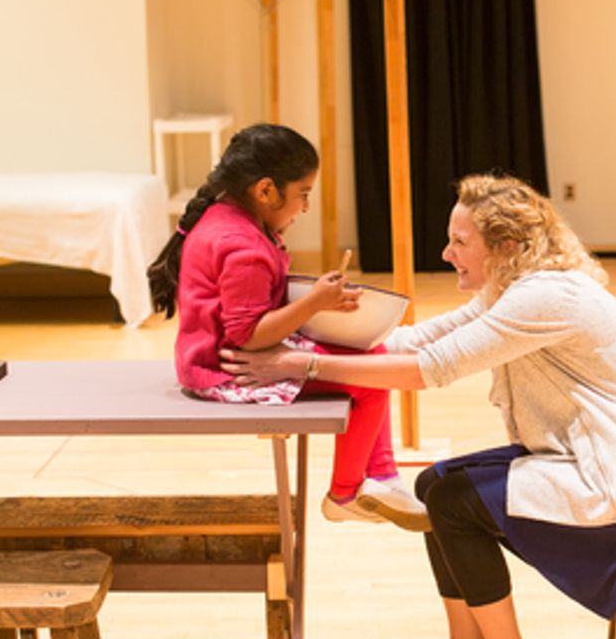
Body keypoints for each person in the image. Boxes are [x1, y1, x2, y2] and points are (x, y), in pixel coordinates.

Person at [222, 172, 616, 639]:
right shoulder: (514, 287)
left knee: (454, 500)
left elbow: (429, 369)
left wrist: (303, 365)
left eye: (459, 242)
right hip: (610, 464)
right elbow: (413, 341)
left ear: (505, 245)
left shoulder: (546, 297)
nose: (446, 253)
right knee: (435, 486)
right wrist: (302, 339)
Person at [147, 123, 427, 530]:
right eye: (303, 194)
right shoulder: (242, 244)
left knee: (372, 357)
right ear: (265, 190)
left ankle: (382, 475)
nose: (306, 207)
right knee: (369, 377)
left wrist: (319, 304)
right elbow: (247, 335)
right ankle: (346, 492)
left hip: (223, 357)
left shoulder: (228, 218)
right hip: (226, 371)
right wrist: (314, 303)